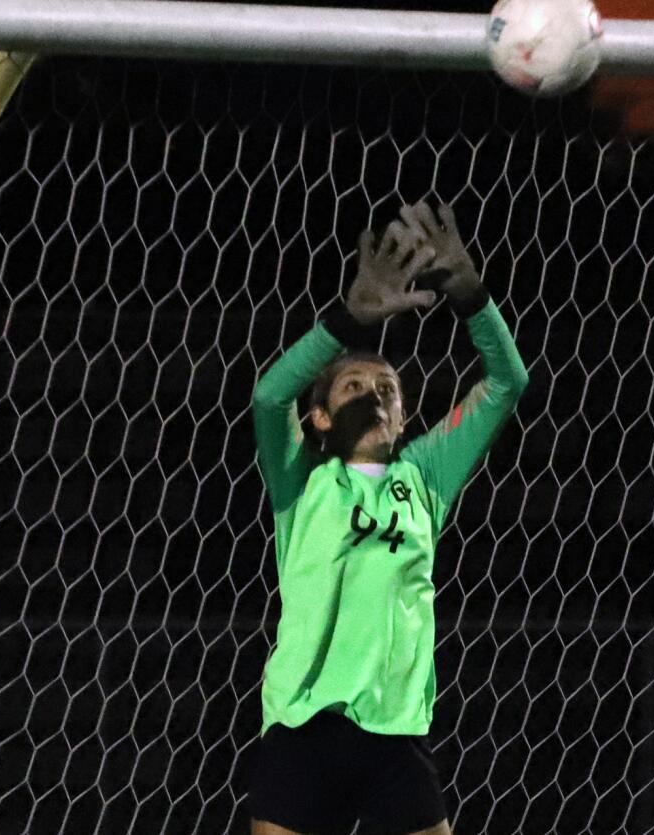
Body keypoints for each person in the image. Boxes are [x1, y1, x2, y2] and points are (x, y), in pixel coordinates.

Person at [248, 202, 529, 835]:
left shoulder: (424, 478)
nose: (374, 391)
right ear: (318, 418)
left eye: (388, 386)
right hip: (303, 724)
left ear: (403, 416)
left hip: (394, 734)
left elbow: (507, 382)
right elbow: (269, 396)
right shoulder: (303, 482)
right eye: (352, 385)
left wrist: (470, 294)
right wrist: (345, 323)